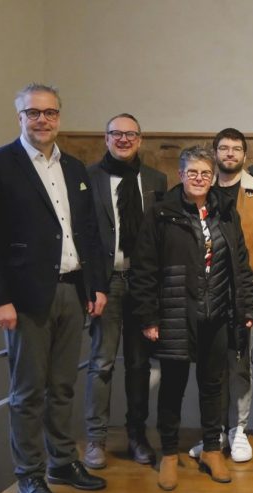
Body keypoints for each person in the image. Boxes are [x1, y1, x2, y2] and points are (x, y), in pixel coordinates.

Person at [0, 83, 107, 493]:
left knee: (63, 386)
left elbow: (88, 232)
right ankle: (29, 475)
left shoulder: (76, 170)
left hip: (72, 291)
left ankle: (62, 463)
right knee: (28, 392)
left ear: (59, 117)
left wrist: (96, 285)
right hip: (26, 298)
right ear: (20, 118)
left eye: (49, 113)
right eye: (33, 113)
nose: (42, 120)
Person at [131, 146, 253, 490]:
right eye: (192, 173)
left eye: (205, 173)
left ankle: (212, 450)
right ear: (181, 175)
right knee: (171, 387)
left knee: (213, 386)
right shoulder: (160, 214)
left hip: (216, 314)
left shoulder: (226, 213)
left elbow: (241, 266)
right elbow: (144, 271)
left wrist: (244, 308)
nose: (199, 179)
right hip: (173, 314)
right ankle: (169, 453)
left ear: (213, 176)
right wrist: (148, 317)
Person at [82, 113, 167, 471]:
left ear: (140, 139)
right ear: (105, 138)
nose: (123, 139)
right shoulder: (89, 177)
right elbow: (82, 235)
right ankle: (95, 439)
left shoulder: (155, 179)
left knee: (139, 365)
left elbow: (161, 237)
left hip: (144, 283)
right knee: (101, 363)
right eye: (116, 133)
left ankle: (137, 437)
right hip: (107, 284)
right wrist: (91, 286)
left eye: (130, 134)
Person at [187, 128, 253, 464]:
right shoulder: (198, 192)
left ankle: (238, 430)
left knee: (239, 364)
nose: (230, 154)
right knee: (210, 365)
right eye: (224, 148)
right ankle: (214, 433)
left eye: (237, 149)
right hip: (204, 291)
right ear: (214, 152)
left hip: (243, 288)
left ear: (244, 155)